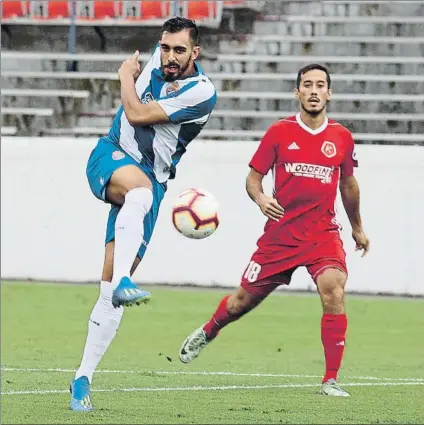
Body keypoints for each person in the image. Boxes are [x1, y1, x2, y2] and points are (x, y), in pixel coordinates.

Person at [178, 63, 370, 397]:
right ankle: (209, 330)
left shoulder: (341, 137)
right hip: (280, 236)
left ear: (329, 92)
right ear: (297, 93)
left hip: (322, 234)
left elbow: (349, 186)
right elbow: (253, 178)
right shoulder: (280, 132)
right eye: (307, 85)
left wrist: (357, 228)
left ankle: (330, 379)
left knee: (333, 287)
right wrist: (262, 198)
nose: (313, 90)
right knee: (240, 303)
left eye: (320, 85)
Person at [69, 17, 217, 412]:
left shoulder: (200, 92)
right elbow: (129, 122)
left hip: (153, 181)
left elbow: (136, 112)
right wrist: (129, 77)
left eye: (179, 50)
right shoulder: (156, 59)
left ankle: (82, 378)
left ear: (195, 53)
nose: (169, 57)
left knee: (108, 292)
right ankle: (124, 281)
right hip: (111, 154)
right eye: (165, 48)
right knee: (139, 193)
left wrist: (124, 77)